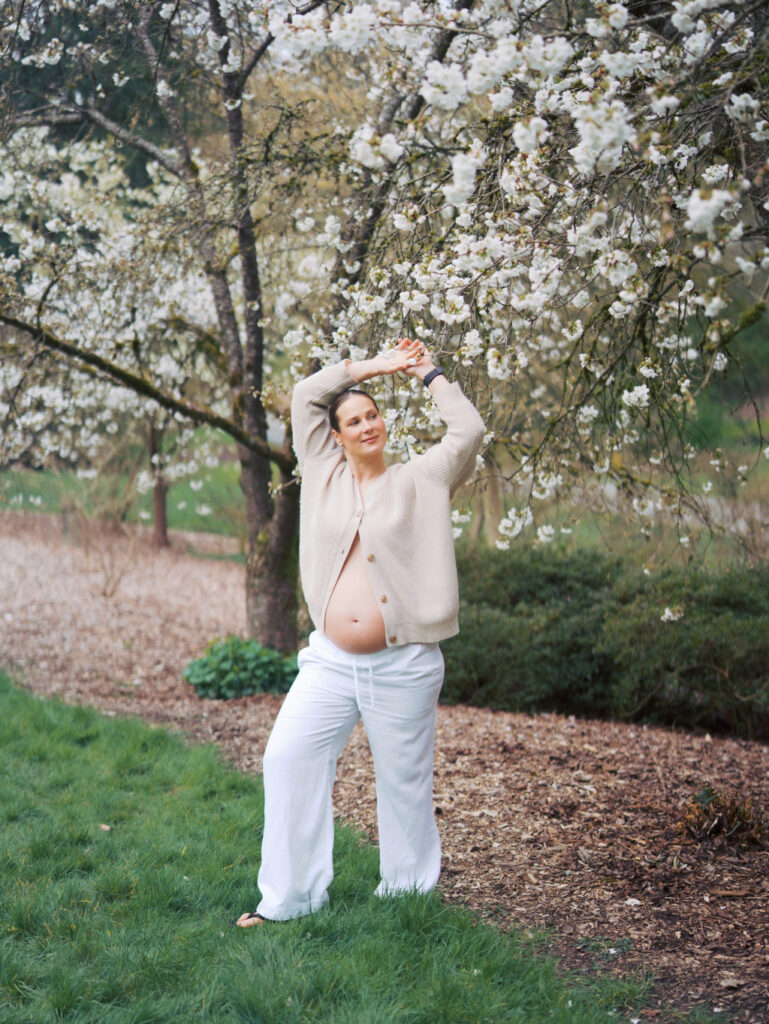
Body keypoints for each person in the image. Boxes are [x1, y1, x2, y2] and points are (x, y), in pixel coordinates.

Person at [236, 337, 485, 926]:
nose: (366, 424)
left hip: (404, 665)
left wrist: (427, 372)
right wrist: (376, 366)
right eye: (353, 419)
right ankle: (288, 903)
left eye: (372, 414)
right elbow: (304, 395)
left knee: (403, 787)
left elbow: (468, 431)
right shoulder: (321, 472)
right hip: (330, 662)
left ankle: (407, 902)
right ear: (337, 435)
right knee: (288, 758)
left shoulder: (423, 478)